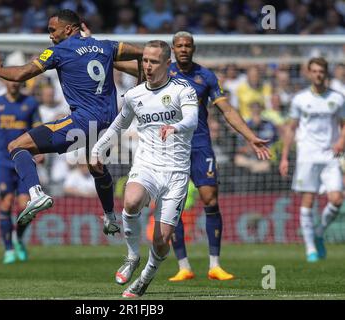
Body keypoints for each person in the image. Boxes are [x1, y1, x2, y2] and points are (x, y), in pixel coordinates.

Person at [114, 31, 271, 282]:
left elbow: (227, 109)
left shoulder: (205, 76)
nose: (184, 49)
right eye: (179, 45)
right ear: (173, 50)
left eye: (188, 45)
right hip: (169, 149)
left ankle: (215, 264)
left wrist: (250, 137)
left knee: (210, 199)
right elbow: (127, 66)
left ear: (193, 48)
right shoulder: (163, 71)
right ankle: (183, 266)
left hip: (199, 144)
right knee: (169, 205)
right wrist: (94, 49)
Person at [0, 9, 143, 235]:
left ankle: (36, 193)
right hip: (109, 125)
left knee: (16, 146)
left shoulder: (58, 51)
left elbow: (21, 74)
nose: (50, 35)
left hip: (82, 122)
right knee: (96, 167)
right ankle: (110, 217)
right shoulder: (106, 46)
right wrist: (137, 88)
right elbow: (143, 54)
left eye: (52, 30)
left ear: (68, 29)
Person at [92, 40, 199, 298]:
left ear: (167, 64)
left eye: (153, 62)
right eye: (145, 61)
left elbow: (192, 119)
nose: (147, 66)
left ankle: (144, 279)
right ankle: (131, 256)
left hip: (176, 173)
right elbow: (119, 125)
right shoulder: (134, 95)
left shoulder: (183, 90)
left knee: (162, 241)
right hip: (147, 165)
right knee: (131, 201)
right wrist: (96, 150)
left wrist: (176, 127)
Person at [279, 57, 345, 262]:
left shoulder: (338, 98)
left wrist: (341, 142)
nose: (318, 74)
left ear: (326, 73)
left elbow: (344, 124)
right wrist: (284, 157)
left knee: (337, 199)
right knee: (308, 200)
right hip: (307, 156)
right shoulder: (299, 99)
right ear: (309, 73)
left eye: (321, 71)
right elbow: (291, 128)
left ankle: (318, 233)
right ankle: (310, 249)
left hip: (330, 155)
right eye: (314, 71)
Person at [0, 80, 42, 264]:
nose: (13, 84)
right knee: (6, 204)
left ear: (21, 82)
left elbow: (38, 130)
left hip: (24, 161)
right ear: (3, 82)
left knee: (25, 206)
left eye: (16, 81)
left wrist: (40, 152)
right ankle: (8, 249)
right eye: (9, 80)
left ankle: (19, 238)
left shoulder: (30, 103)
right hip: (3, 162)